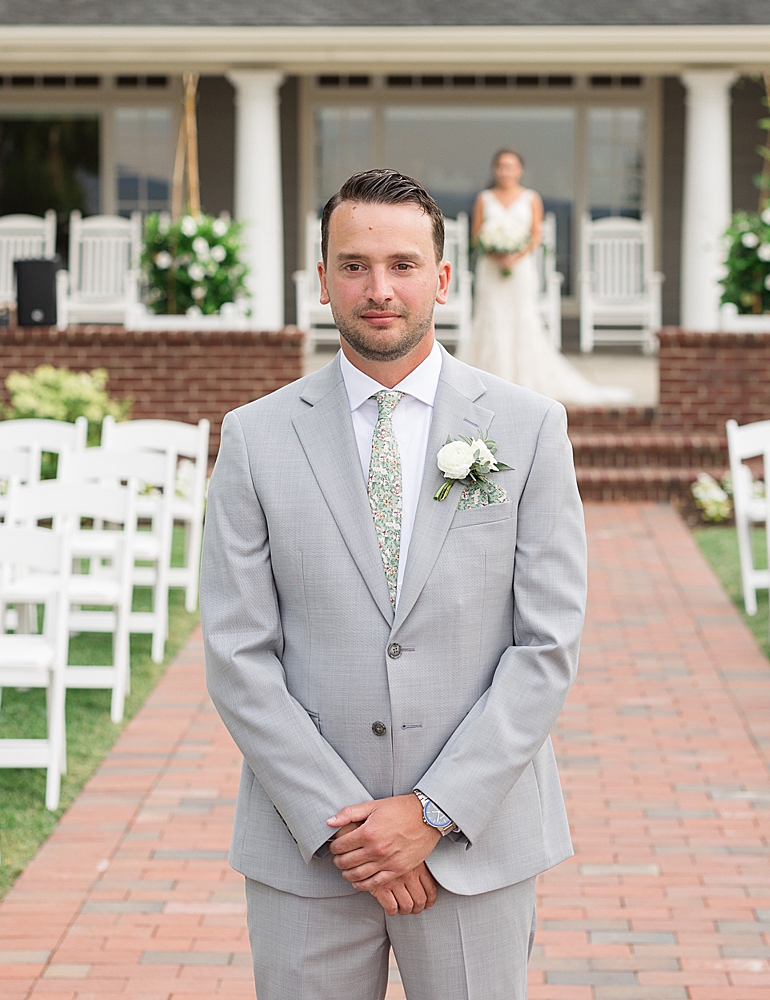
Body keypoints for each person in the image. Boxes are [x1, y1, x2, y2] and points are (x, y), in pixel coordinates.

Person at [201, 167, 587, 999]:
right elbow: (237, 655)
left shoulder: (528, 429)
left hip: (472, 847)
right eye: (354, 265)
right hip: (307, 849)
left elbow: (546, 646)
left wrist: (431, 813)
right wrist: (351, 830)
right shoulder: (254, 438)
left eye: (403, 265)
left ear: (442, 280)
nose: (380, 289)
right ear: (322, 280)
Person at [460, 149, 630, 404]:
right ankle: (488, 378)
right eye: (501, 166)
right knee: (492, 318)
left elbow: (535, 237)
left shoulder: (530, 198)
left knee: (521, 319)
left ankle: (520, 380)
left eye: (511, 166)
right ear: (495, 170)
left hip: (519, 271)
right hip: (491, 270)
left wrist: (513, 256)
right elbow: (475, 236)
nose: (506, 171)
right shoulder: (484, 198)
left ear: (520, 170)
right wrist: (495, 252)